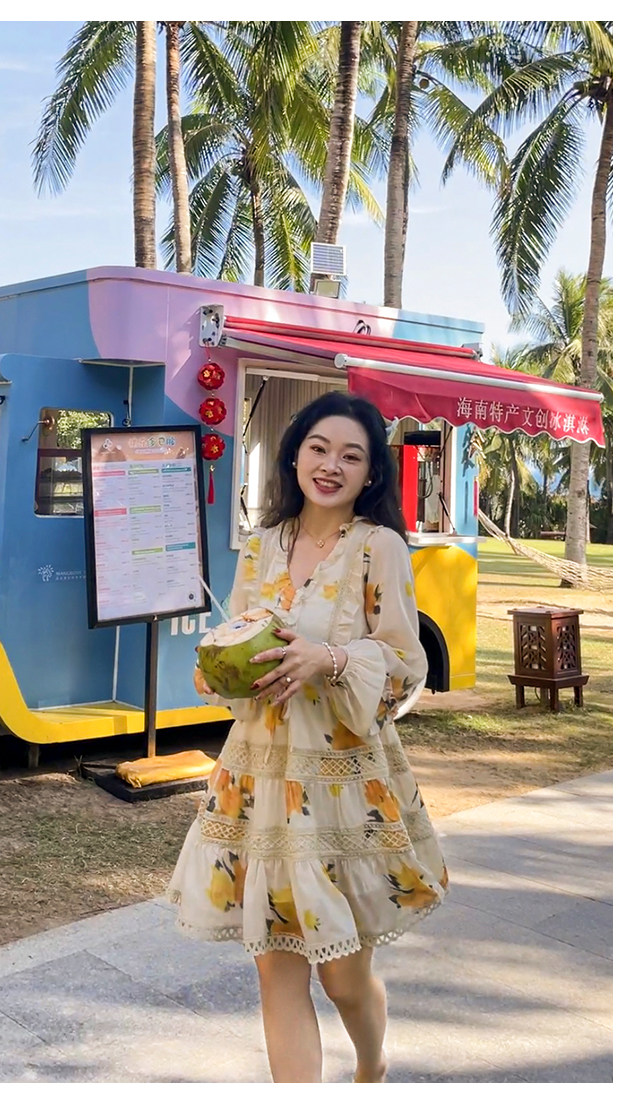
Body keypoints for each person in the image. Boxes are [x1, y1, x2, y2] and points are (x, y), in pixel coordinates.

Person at [168, 391, 448, 1084]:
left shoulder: (378, 548)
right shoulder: (262, 544)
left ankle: (372, 1065)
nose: (331, 465)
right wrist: (219, 670)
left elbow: (406, 665)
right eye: (318, 449)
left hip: (343, 783)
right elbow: (239, 640)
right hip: (261, 778)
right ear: (294, 455)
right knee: (276, 969)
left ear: (370, 473)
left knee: (343, 979)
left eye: (351, 455)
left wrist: (330, 659)